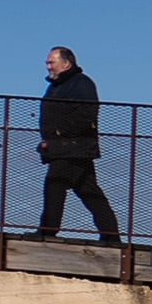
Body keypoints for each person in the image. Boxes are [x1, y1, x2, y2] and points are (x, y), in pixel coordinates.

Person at [36, 45, 121, 239]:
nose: (48, 67)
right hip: (67, 149)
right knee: (90, 192)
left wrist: (59, 136)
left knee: (55, 185)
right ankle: (111, 236)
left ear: (66, 64)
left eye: (52, 62)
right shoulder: (57, 86)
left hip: (73, 149)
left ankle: (47, 232)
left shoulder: (81, 83)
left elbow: (87, 114)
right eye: (47, 63)